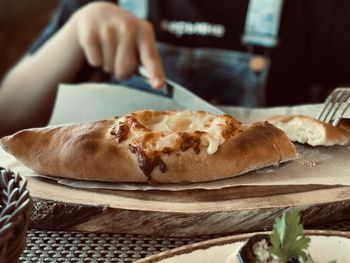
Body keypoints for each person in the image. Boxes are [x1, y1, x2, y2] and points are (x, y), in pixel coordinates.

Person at [1, 0, 350, 138]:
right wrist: (76, 31)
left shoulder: (316, 9)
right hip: (119, 202)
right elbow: (8, 116)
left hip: (261, 206)